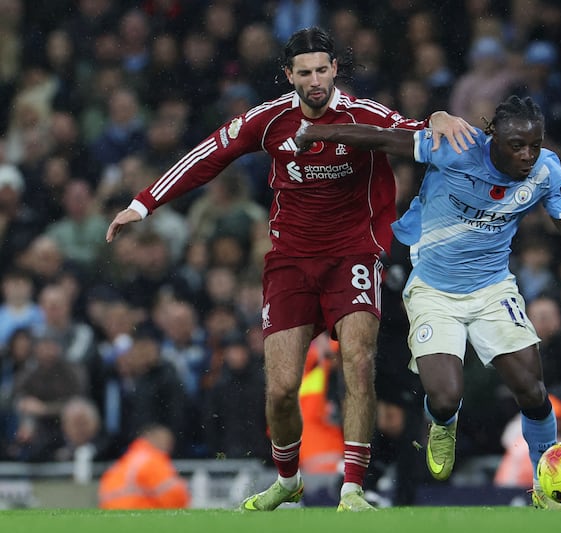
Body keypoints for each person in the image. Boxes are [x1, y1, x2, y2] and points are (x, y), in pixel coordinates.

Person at [105, 26, 475, 513]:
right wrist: (144, 203)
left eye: (323, 69)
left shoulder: (363, 116)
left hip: (353, 255)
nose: (316, 79)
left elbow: (412, 132)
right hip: (291, 263)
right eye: (305, 72)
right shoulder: (271, 120)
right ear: (289, 76)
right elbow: (211, 152)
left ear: (334, 70)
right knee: (281, 389)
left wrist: (440, 116)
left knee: (358, 363)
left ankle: (353, 489)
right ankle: (287, 479)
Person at [294, 95, 561, 509]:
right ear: (493, 137)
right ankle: (443, 422)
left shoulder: (546, 171)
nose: (528, 155)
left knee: (531, 389)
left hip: (493, 289)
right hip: (433, 291)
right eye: (517, 145)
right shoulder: (455, 147)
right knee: (444, 397)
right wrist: (320, 132)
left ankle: (545, 488)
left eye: (535, 144)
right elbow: (384, 139)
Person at [97, 424, 190, 509]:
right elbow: (175, 495)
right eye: (166, 440)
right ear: (150, 437)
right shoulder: (152, 460)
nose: (169, 447)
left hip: (113, 516)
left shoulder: (127, 460)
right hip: (137, 515)